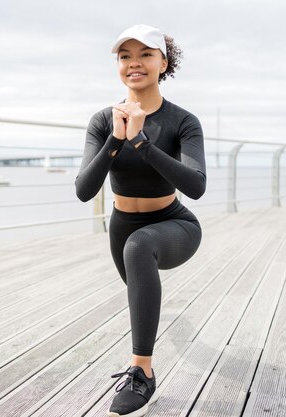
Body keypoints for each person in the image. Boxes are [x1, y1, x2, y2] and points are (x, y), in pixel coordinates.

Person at [75, 24, 206, 417]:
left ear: (163, 63)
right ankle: (142, 362)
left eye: (146, 54)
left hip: (174, 224)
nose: (135, 63)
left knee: (140, 246)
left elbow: (196, 186)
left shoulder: (183, 121)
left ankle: (142, 372)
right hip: (121, 224)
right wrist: (116, 140)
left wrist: (141, 143)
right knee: (136, 272)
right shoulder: (103, 121)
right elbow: (84, 190)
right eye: (125, 56)